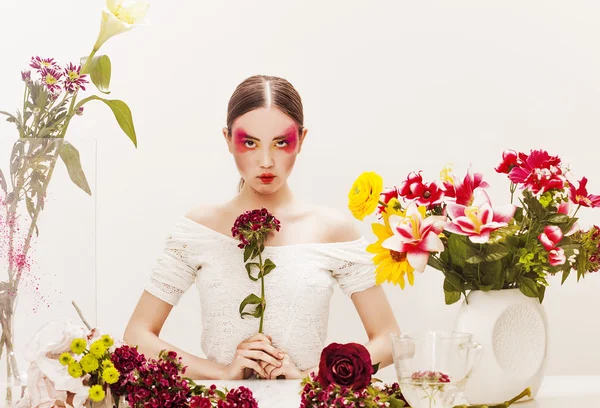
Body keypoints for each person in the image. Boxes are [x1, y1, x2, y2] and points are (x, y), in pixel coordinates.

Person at [123, 75, 401, 380]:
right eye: (250, 143)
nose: (266, 161)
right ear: (228, 140)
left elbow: (389, 340)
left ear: (302, 139)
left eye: (281, 143)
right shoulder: (199, 229)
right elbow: (137, 334)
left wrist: (311, 377)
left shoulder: (332, 229)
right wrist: (222, 373)